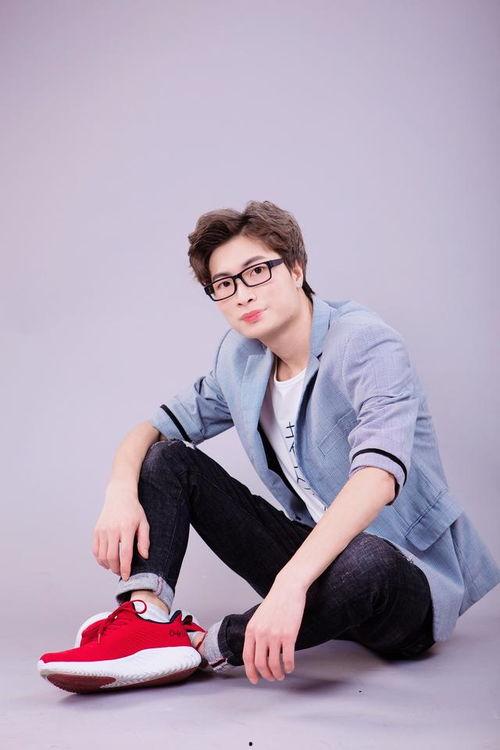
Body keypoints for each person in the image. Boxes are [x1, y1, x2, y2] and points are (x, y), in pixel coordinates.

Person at [38, 200, 500, 693]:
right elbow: (151, 430)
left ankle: (204, 646)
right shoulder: (240, 359)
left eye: (257, 271)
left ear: (296, 269)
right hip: (314, 563)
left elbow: (378, 478)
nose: (242, 294)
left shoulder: (365, 343)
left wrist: (290, 584)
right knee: (167, 459)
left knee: (370, 558)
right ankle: (145, 619)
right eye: (224, 284)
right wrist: (119, 492)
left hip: (403, 580)